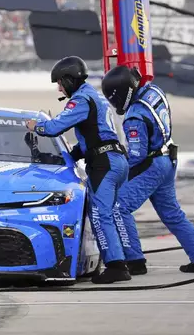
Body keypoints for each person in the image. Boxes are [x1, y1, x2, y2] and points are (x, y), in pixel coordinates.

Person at [26, 56, 131, 284]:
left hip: (104, 163)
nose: (59, 87)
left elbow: (54, 128)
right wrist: (68, 157)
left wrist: (36, 126)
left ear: (69, 79)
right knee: (110, 214)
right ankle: (126, 261)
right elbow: (92, 137)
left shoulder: (81, 100)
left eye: (60, 82)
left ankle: (116, 267)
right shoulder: (95, 97)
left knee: (100, 215)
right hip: (115, 160)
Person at [101, 65, 194, 275]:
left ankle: (134, 261)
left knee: (119, 206)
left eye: (113, 97)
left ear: (122, 93)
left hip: (152, 165)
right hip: (168, 159)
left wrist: (115, 166)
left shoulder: (134, 117)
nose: (113, 102)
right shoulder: (154, 92)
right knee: (172, 213)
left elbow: (137, 156)